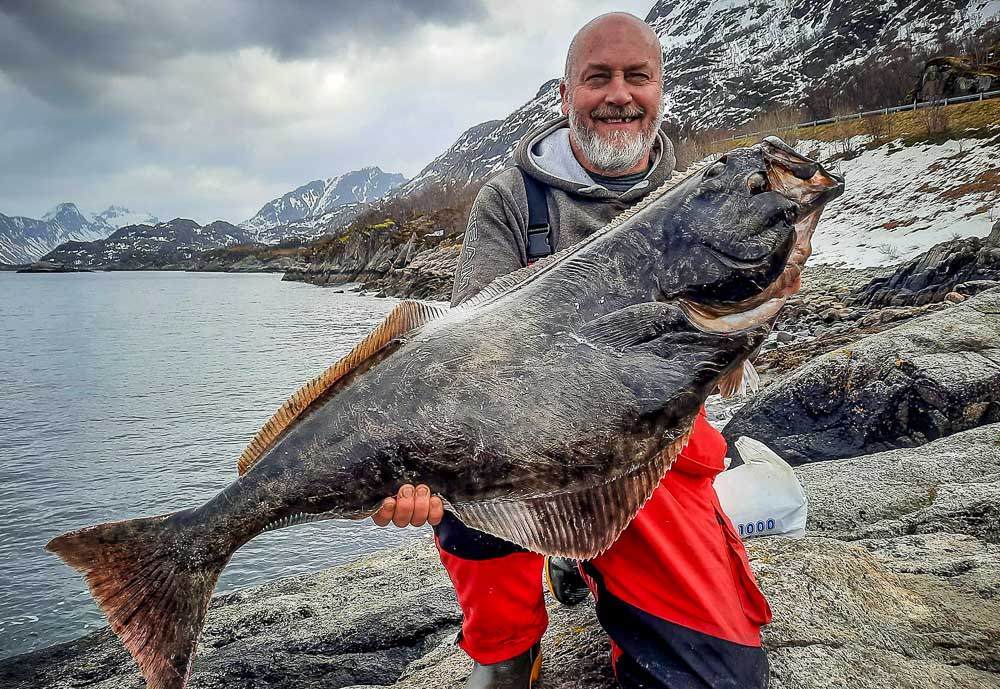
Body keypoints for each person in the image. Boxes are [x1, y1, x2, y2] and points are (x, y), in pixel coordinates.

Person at [372, 12, 772, 689]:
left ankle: (596, 570)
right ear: (565, 96)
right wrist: (406, 469)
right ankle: (506, 648)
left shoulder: (707, 193)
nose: (618, 94)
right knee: (461, 479)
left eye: (637, 77)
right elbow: (462, 360)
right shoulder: (510, 200)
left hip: (654, 447)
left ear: (660, 89)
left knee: (720, 676)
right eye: (598, 78)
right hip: (523, 443)